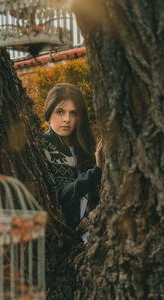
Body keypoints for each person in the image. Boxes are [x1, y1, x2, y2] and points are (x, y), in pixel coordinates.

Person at [41, 83, 102, 243]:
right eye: (60, 112)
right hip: (65, 241)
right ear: (49, 113)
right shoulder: (43, 148)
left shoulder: (86, 148)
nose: (67, 119)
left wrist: (92, 218)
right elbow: (59, 195)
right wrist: (96, 172)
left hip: (95, 234)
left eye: (73, 113)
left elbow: (100, 195)